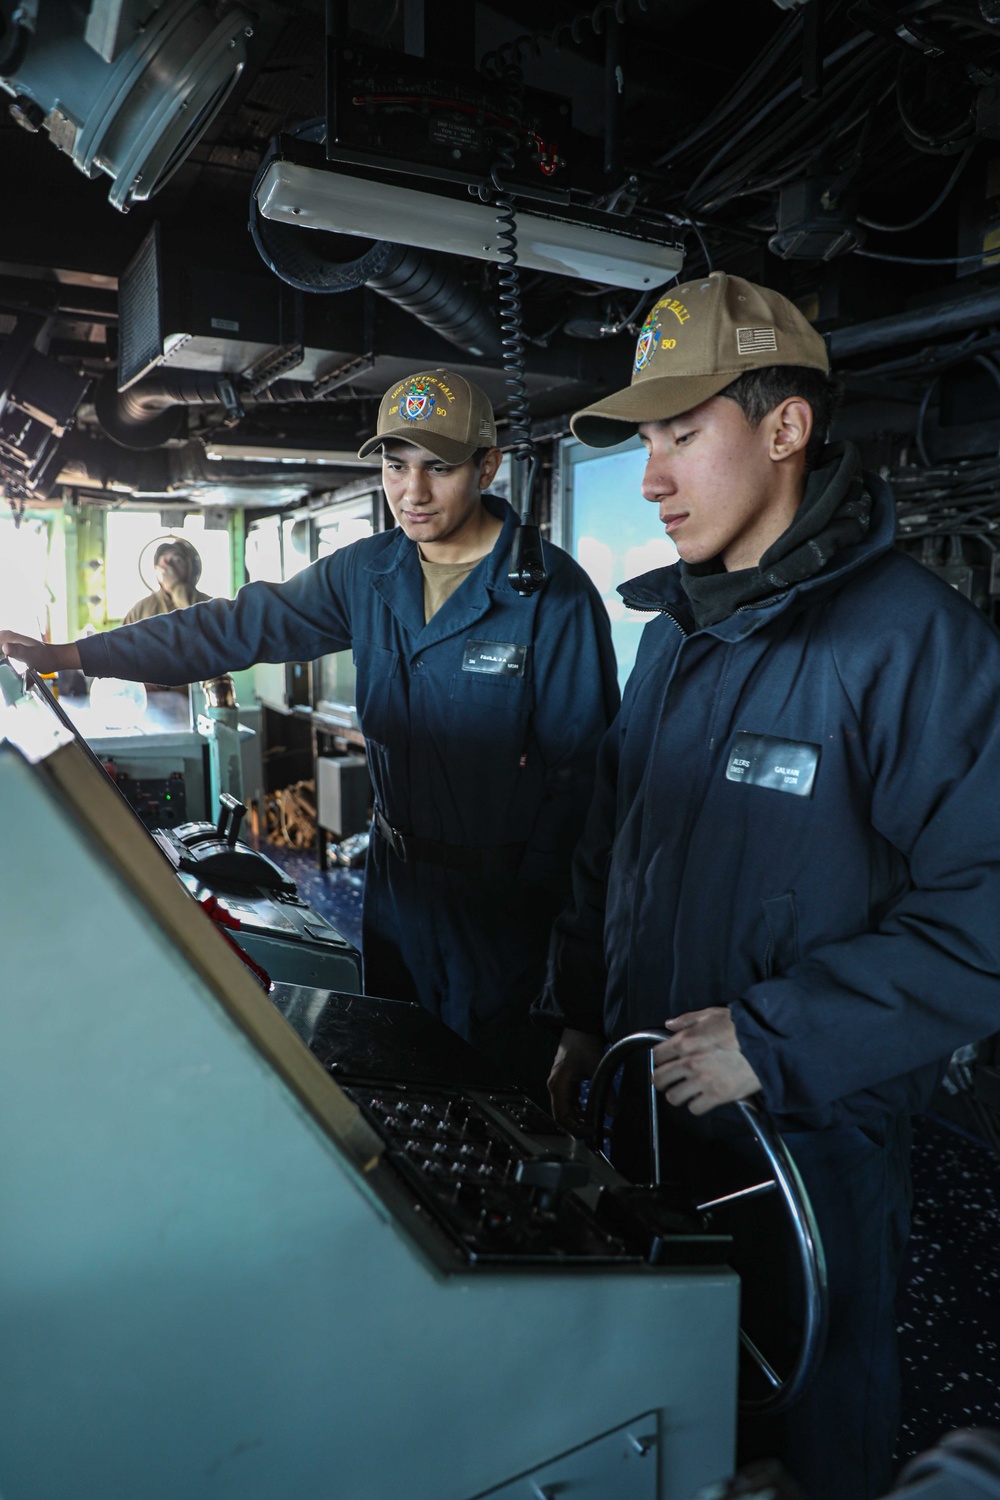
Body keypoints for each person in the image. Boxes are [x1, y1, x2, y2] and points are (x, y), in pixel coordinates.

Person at [535, 271, 1000, 1500]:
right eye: (645, 442)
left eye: (682, 436)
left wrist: (778, 1037)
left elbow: (986, 910)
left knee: (813, 1417)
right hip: (646, 1110)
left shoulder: (912, 646)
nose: (649, 479)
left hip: (811, 1134)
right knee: (669, 1413)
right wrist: (583, 1016)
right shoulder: (668, 637)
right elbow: (609, 846)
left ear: (786, 428)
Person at [1, 368, 619, 1101]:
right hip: (395, 894)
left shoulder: (549, 592)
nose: (412, 493)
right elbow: (229, 628)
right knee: (399, 1081)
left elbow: (589, 796)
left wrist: (577, 994)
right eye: (395, 467)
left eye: (438, 467)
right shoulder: (369, 572)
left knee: (502, 1102)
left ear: (488, 466)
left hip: (507, 911)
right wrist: (71, 655)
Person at [123, 537, 210, 623]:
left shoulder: (208, 604)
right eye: (164, 560)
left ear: (189, 568)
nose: (170, 567)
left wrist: (175, 586)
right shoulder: (140, 610)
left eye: (177, 560)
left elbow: (203, 623)